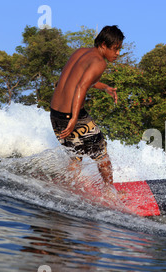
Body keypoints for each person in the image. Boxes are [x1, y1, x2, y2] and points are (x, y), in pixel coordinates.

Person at [50, 25, 124, 186]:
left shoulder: (80, 52)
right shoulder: (99, 62)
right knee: (102, 154)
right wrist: (74, 117)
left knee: (76, 155)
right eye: (115, 49)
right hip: (72, 115)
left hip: (55, 114)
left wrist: (105, 87)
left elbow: (75, 80)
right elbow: (81, 87)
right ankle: (110, 192)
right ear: (104, 45)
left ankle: (64, 188)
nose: (118, 53)